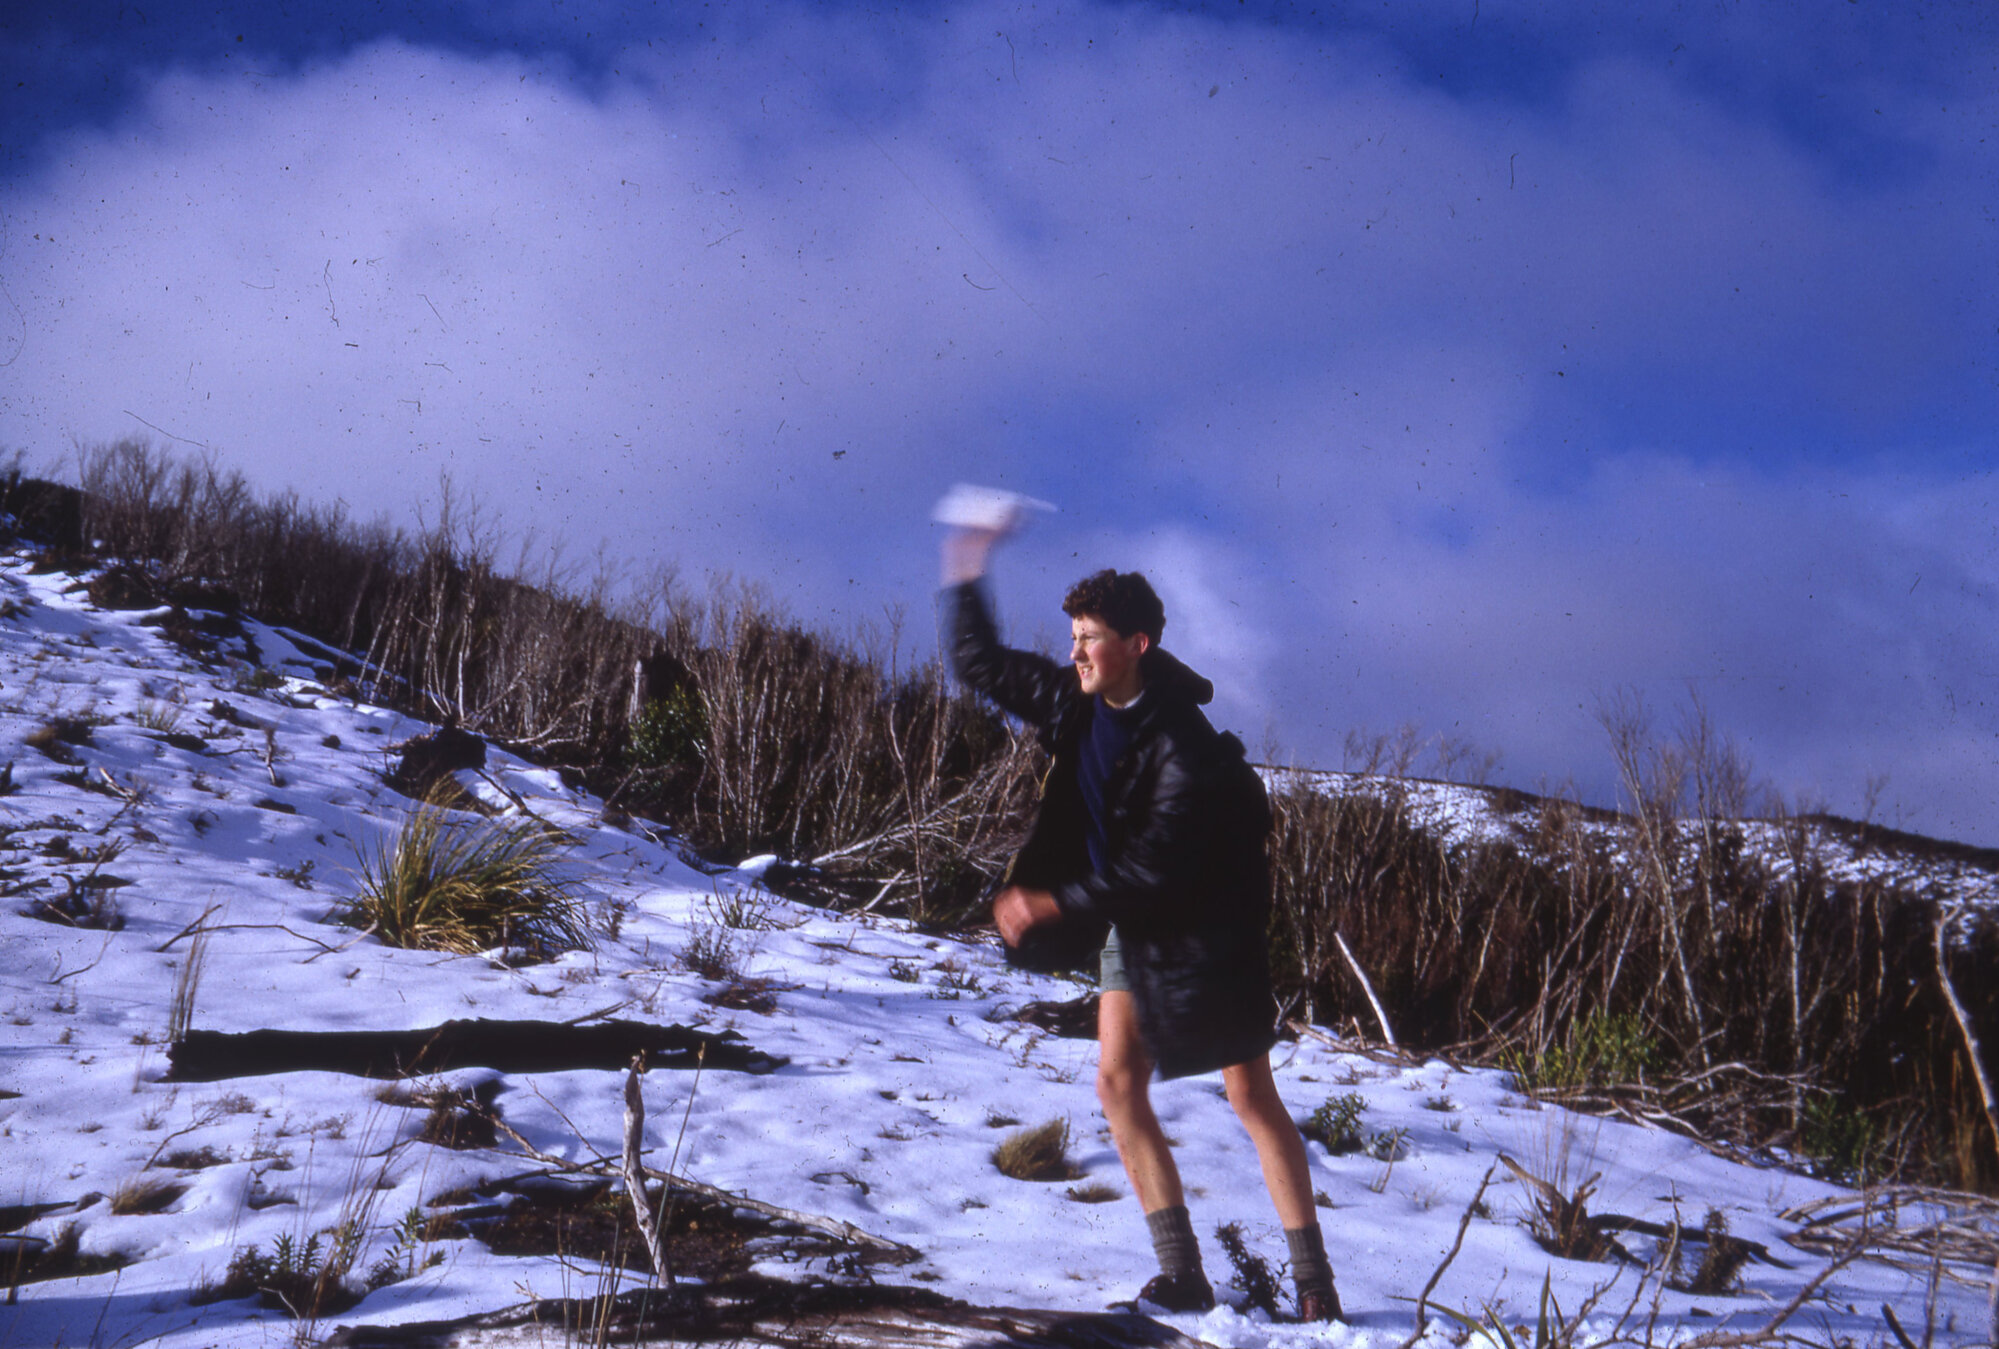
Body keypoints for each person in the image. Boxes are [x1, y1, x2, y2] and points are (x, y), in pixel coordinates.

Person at [941, 522, 1341, 1322]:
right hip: (1132, 918)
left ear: (1138, 643)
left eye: (1089, 639)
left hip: (1208, 928)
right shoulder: (1074, 700)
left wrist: (1049, 903)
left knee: (1249, 1096)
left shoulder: (1181, 747)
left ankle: (1314, 1287)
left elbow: (1153, 868)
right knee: (1118, 1083)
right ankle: (1183, 1274)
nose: (1074, 653)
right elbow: (979, 662)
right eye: (1072, 637)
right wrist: (967, 559)